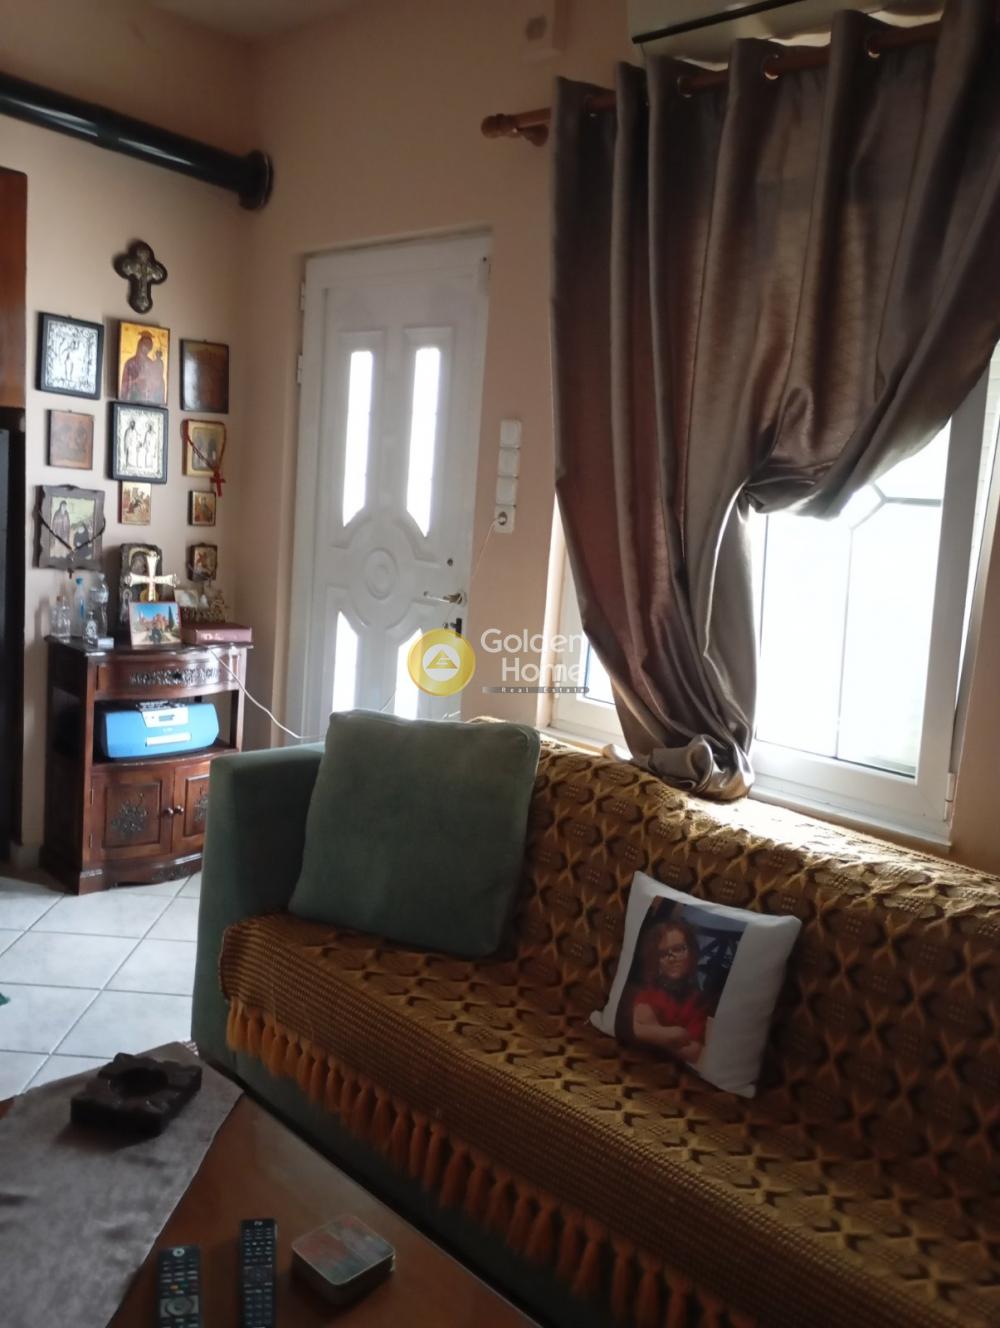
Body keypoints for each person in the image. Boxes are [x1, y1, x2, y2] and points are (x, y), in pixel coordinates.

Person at [629, 918, 708, 1063]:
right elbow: (634, 1025)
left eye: (678, 949)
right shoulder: (649, 991)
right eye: (663, 954)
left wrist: (649, 1033)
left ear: (692, 953)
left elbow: (694, 1052)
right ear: (656, 961)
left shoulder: (697, 1001)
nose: (671, 959)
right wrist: (673, 1035)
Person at [120, 332, 166, 404]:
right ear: (140, 345)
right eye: (145, 344)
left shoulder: (151, 364)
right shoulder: (130, 363)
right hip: (132, 400)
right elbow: (124, 386)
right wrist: (137, 379)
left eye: (149, 345)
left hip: (149, 401)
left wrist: (157, 381)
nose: (147, 348)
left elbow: (158, 383)